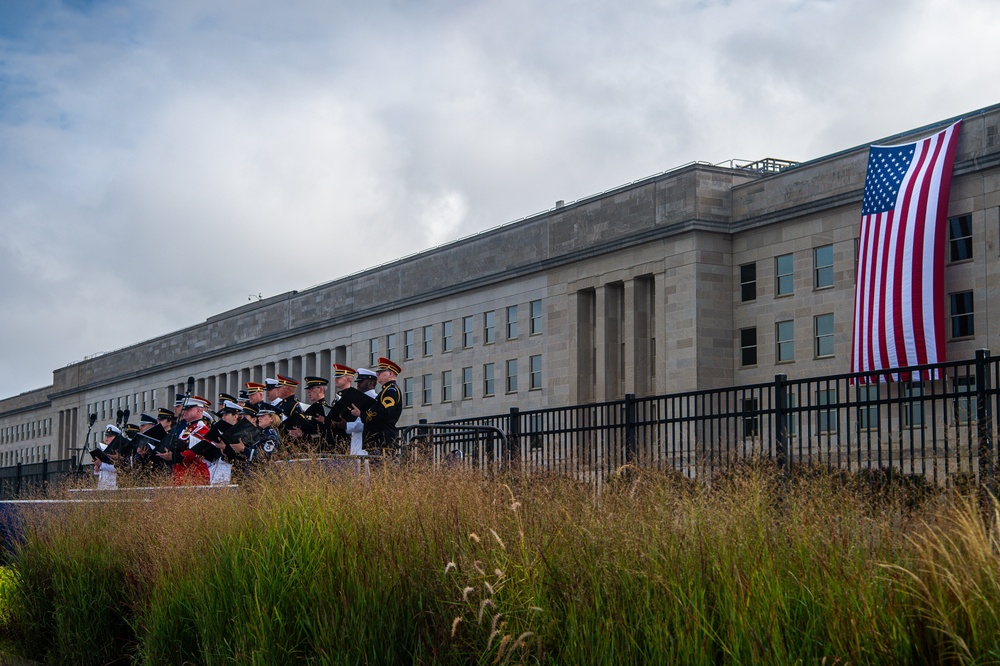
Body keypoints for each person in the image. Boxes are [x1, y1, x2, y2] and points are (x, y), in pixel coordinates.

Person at [352, 357, 403, 456]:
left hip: (382, 440)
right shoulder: (385, 391)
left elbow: (384, 413)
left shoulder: (391, 391)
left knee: (382, 468)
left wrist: (361, 414)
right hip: (377, 441)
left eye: (381, 371)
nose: (377, 374)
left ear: (391, 374)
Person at [344, 369, 379, 457]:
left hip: (365, 445)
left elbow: (366, 421)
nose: (358, 384)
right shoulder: (358, 398)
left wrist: (346, 425)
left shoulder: (374, 399)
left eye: (361, 381)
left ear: (371, 383)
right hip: (356, 444)